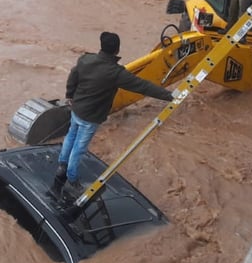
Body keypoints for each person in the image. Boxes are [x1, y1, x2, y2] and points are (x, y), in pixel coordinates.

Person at [53, 31, 174, 201]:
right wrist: (169, 96)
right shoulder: (116, 73)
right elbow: (142, 86)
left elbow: (73, 77)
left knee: (71, 136)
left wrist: (70, 95)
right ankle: (72, 179)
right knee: (79, 149)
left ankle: (61, 164)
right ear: (117, 51)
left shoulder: (85, 60)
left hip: (77, 109)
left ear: (101, 45)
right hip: (91, 117)